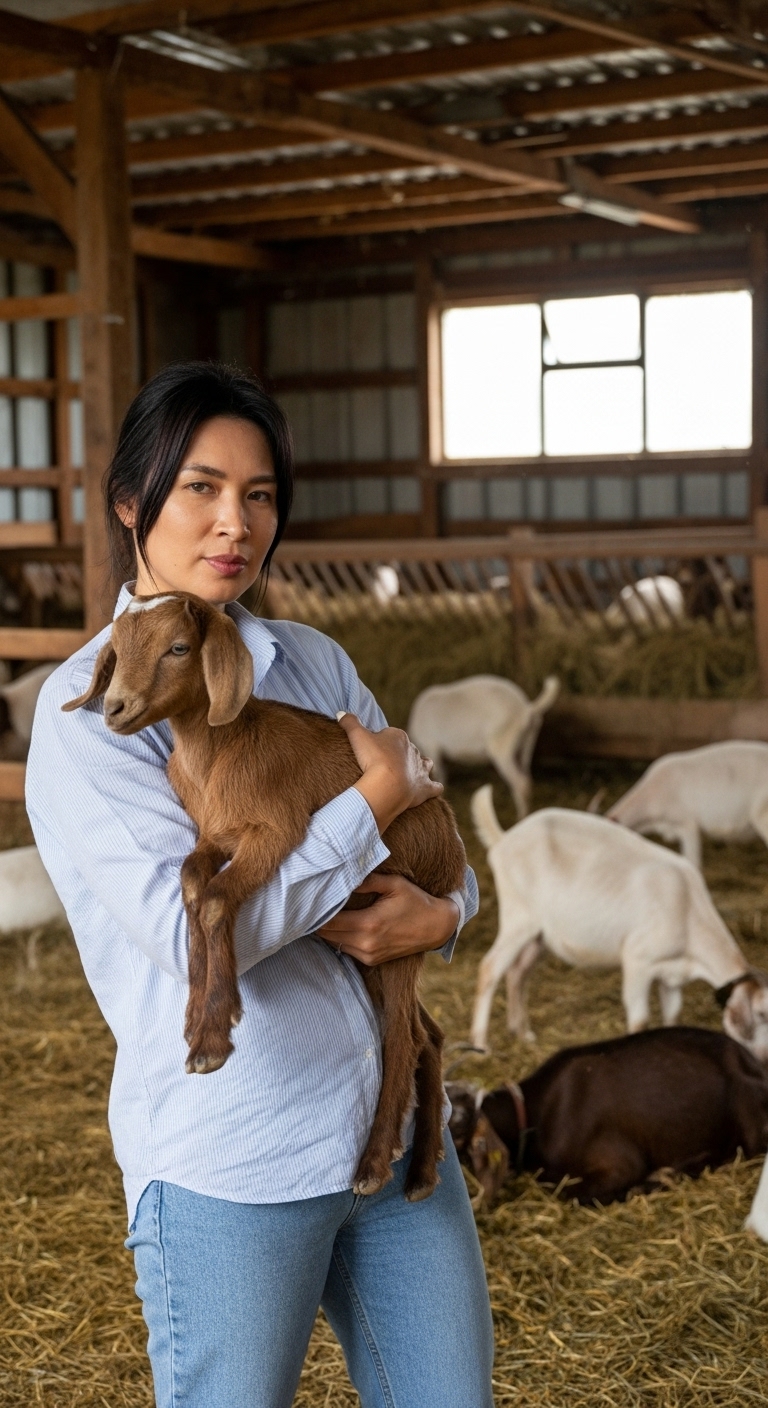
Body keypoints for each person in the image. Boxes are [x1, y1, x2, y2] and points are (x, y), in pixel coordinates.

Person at [26, 362, 494, 1408]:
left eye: (261, 492)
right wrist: (363, 809)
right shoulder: (85, 718)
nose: (235, 522)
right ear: (131, 504)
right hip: (233, 1162)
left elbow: (428, 824)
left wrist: (447, 914)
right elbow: (183, 930)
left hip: (390, 1126)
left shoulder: (314, 665)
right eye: (200, 487)